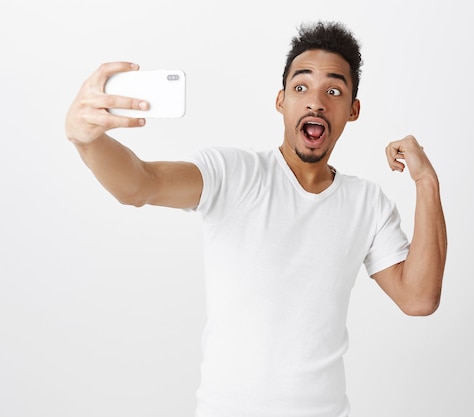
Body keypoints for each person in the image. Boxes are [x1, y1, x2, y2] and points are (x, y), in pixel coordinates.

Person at [65, 21, 447, 417]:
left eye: (333, 90)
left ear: (353, 110)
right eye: (301, 87)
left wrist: (425, 181)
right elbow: (140, 184)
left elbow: (418, 298)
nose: (316, 102)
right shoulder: (234, 173)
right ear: (281, 100)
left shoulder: (367, 203)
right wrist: (87, 140)